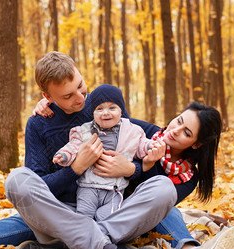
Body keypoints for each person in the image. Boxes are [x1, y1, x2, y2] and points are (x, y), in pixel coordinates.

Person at [0, 51, 234, 249]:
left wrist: (135, 168)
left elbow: (137, 144)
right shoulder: (41, 122)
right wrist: (75, 167)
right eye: (69, 95)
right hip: (63, 210)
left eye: (83, 87)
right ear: (47, 97)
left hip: (115, 213)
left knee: (164, 192)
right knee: (17, 181)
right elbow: (36, 188)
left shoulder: (104, 108)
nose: (83, 99)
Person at [53, 84, 157, 220]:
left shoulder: (131, 131)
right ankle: (84, 233)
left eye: (112, 108)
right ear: (93, 113)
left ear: (121, 111)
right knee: (84, 215)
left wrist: (150, 146)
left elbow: (140, 144)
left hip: (115, 189)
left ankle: (100, 235)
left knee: (108, 216)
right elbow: (73, 146)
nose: (105, 113)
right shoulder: (85, 130)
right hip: (88, 186)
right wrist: (64, 155)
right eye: (99, 109)